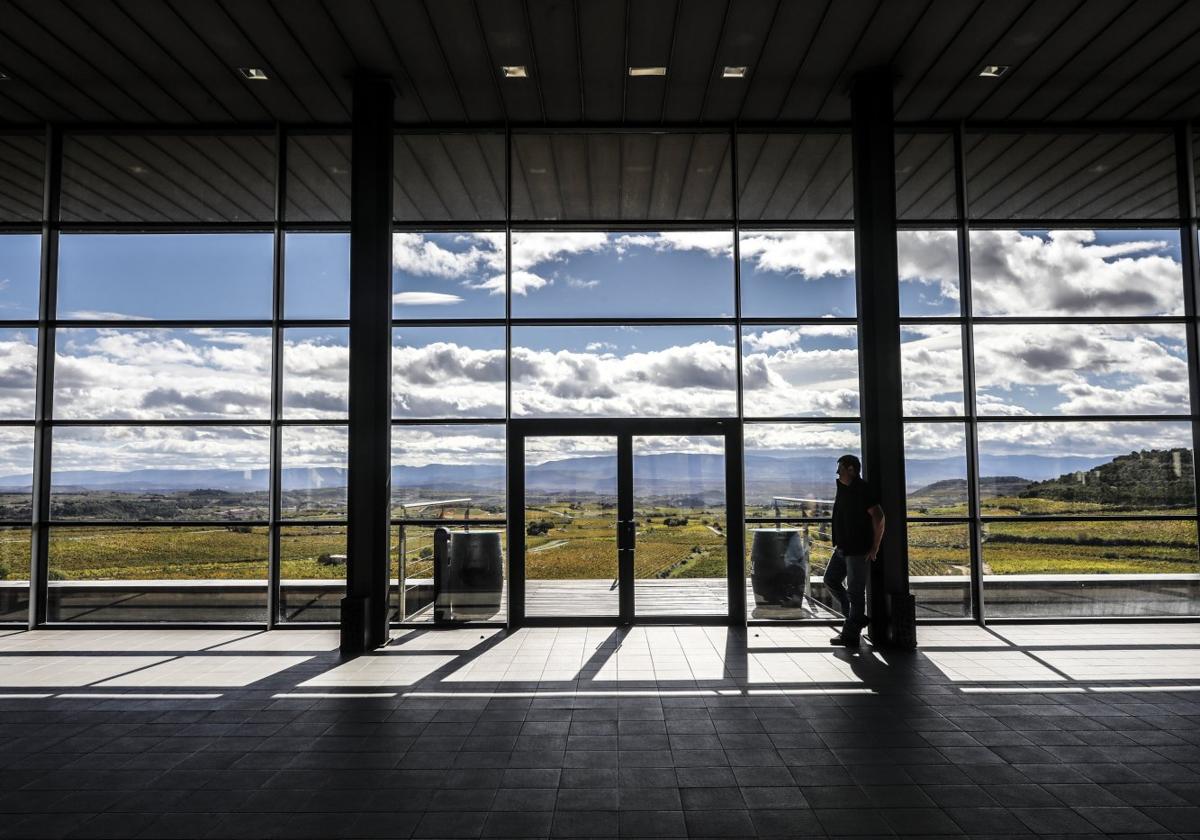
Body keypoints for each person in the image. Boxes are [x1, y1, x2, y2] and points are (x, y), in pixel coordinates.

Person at [824, 454, 884, 647]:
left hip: (858, 549)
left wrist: (875, 547)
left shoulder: (862, 490)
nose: (837, 473)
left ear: (851, 469)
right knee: (831, 580)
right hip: (843, 547)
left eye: (840, 468)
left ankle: (850, 633)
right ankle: (854, 618)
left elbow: (879, 517)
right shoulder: (844, 489)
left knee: (856, 591)